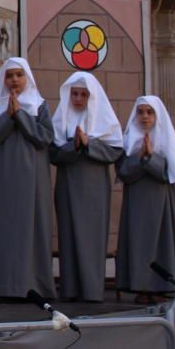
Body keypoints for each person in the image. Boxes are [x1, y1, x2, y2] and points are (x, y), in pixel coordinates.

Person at [0, 57, 55, 299]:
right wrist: (7, 117)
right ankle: (1, 285)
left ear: (27, 78)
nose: (14, 80)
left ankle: (31, 285)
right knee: (3, 228)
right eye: (9, 75)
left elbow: (45, 138)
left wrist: (19, 115)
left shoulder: (39, 105)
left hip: (32, 179)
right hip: (2, 178)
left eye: (19, 75)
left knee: (30, 230)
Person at [50, 72, 124, 302]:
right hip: (67, 184)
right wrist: (74, 145)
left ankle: (92, 291)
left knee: (92, 236)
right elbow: (53, 153)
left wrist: (89, 143)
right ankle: (70, 289)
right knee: (68, 234)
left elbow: (114, 150)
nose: (78, 99)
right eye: (74, 94)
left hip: (94, 187)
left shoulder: (105, 122)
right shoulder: (61, 119)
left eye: (83, 94)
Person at [115, 96, 175, 304]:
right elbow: (124, 173)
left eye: (150, 112)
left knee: (160, 244)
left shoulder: (168, 141)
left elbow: (168, 174)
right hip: (136, 203)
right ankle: (139, 286)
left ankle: (160, 286)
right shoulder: (129, 141)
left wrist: (150, 157)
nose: (145, 116)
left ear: (158, 116)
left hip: (161, 204)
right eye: (141, 112)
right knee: (137, 242)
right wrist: (139, 157)